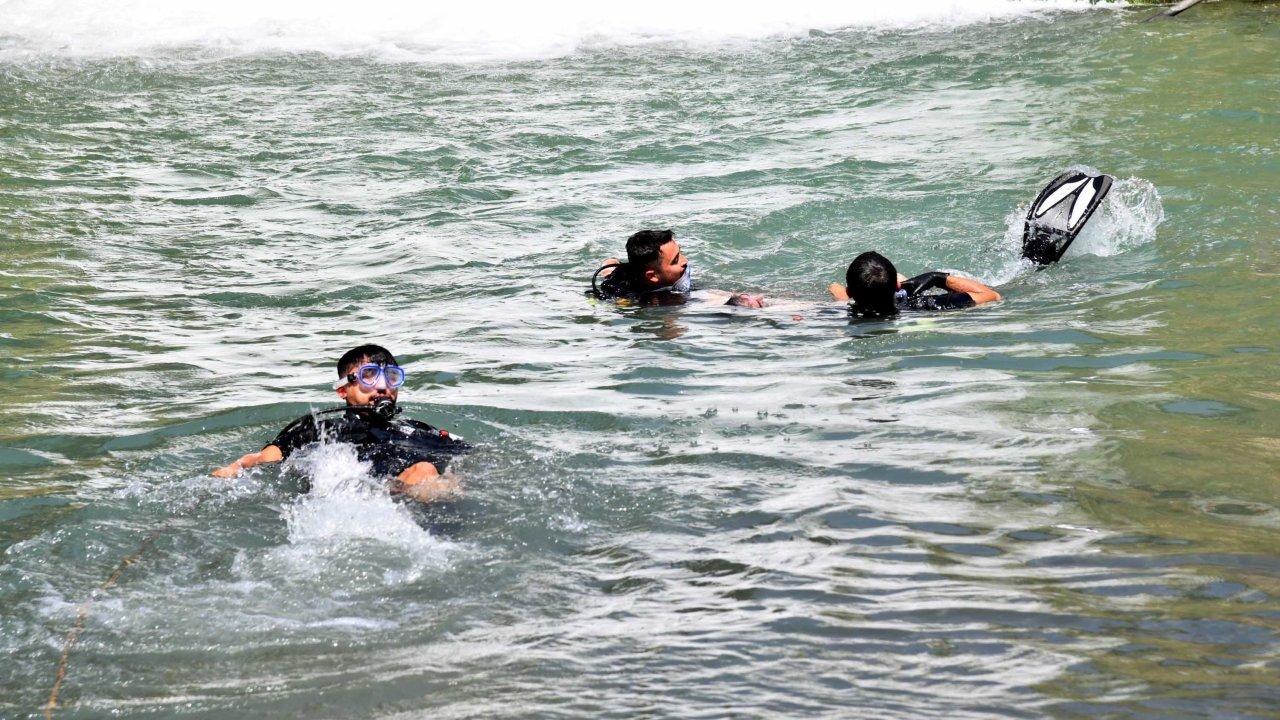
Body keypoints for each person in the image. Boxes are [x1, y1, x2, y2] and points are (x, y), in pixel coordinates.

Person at [212, 344, 469, 503]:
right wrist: (234, 467)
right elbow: (263, 458)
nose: (382, 387)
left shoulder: (417, 430)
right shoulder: (317, 429)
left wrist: (455, 478)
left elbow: (470, 458)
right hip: (356, 502)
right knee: (424, 471)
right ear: (343, 391)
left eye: (391, 378)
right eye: (369, 377)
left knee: (434, 475)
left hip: (413, 501)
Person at [591, 229, 765, 308]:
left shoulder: (619, 270)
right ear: (652, 276)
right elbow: (709, 302)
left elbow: (608, 263)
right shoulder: (657, 299)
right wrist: (739, 303)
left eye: (680, 253)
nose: (685, 261)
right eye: (675, 261)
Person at [829, 251, 1001, 316]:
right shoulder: (924, 305)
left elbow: (835, 288)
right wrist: (939, 277)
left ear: (850, 292)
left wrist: (844, 298)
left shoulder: (836, 313)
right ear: (896, 287)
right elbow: (993, 295)